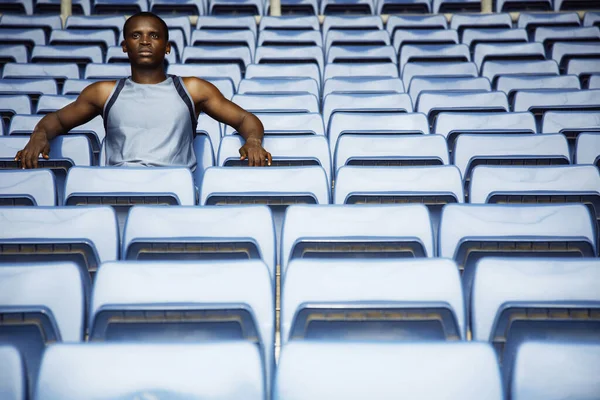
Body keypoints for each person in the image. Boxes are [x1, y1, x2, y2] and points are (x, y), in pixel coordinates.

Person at [15, 12, 272, 169]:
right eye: (136, 36)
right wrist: (39, 135)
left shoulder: (193, 89)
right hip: (115, 189)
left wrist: (252, 141)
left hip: (173, 190)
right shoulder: (103, 92)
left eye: (154, 36)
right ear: (125, 46)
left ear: (167, 46)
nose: (146, 41)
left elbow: (245, 119)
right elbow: (57, 120)